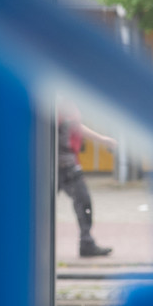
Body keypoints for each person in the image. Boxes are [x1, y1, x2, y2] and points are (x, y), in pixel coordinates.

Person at [57, 97, 116, 257]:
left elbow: (75, 127)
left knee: (84, 203)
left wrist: (102, 139)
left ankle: (86, 243)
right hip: (58, 166)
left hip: (68, 164)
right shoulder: (56, 101)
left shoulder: (67, 101)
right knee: (40, 207)